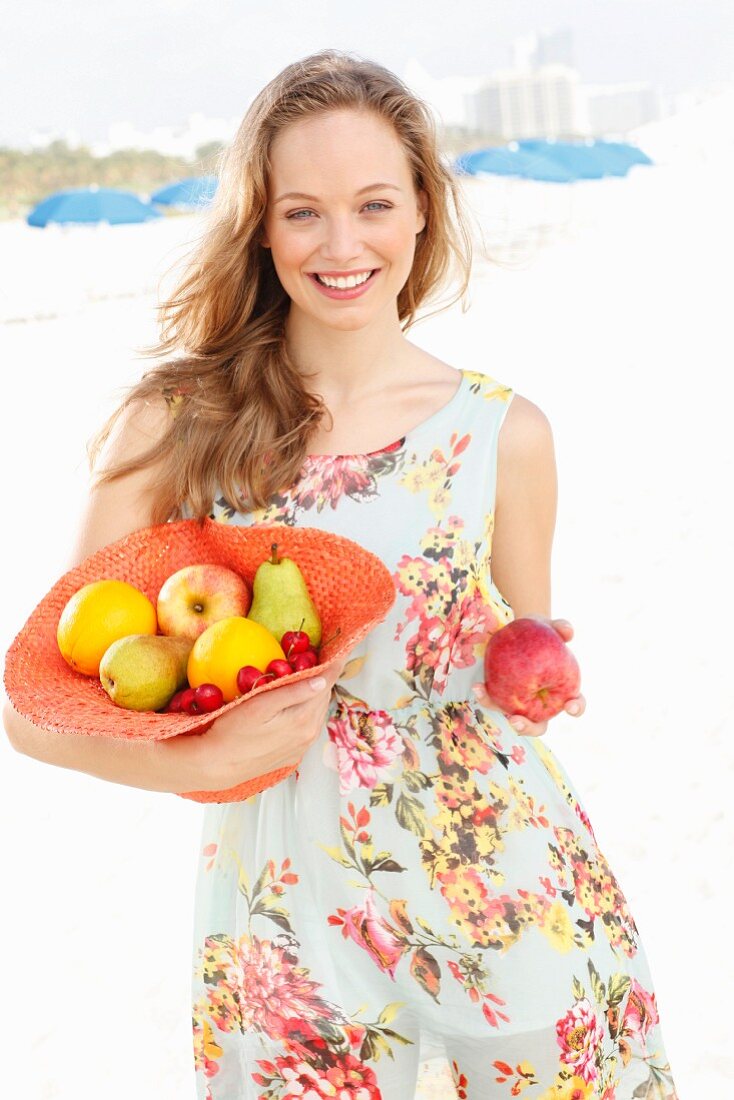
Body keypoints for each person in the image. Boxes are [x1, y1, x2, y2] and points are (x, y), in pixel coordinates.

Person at [3, 49, 679, 1100]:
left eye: (373, 203)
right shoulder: (179, 426)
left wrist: (534, 675)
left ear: (420, 212)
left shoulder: (505, 434)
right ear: (260, 227)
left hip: (504, 882)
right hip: (284, 915)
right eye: (302, 212)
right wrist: (187, 764)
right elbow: (35, 706)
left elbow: (523, 656)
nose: (342, 243)